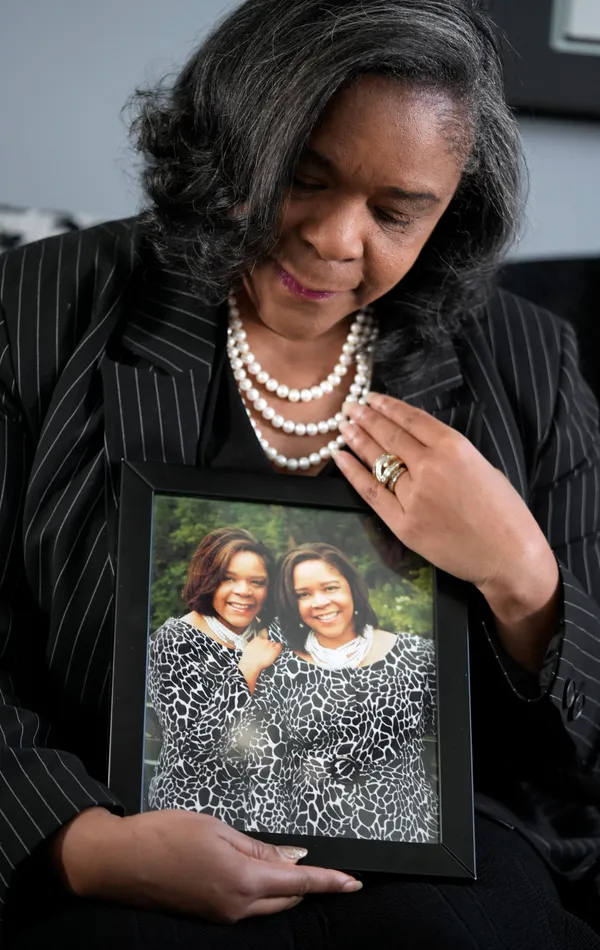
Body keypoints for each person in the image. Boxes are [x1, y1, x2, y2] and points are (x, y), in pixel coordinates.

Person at [0, 0, 600, 946]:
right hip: (111, 830)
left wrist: (520, 573)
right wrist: (81, 844)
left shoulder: (530, 364)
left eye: (396, 212)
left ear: (451, 209)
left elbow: (574, 758)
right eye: (299, 178)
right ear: (226, 141)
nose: (332, 238)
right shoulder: (38, 308)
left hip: (456, 855)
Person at [245, 542, 438, 842]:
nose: (319, 602)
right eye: (303, 595)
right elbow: (260, 757)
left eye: (330, 588)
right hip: (308, 835)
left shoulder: (416, 656)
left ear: (352, 588)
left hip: (405, 835)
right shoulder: (279, 662)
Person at [146, 526, 281, 825]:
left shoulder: (268, 637)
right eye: (228, 578)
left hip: (267, 816)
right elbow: (193, 748)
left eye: (256, 582)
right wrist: (247, 669)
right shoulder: (174, 641)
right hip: (199, 817)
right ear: (207, 580)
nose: (244, 591)